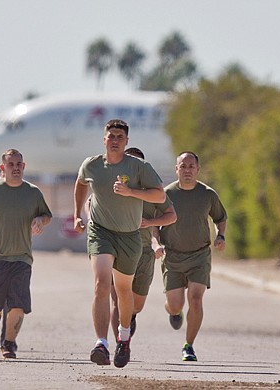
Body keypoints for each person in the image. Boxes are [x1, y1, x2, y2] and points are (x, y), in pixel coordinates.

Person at [73, 119, 166, 368]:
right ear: (104, 139)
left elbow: (160, 194)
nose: (114, 140)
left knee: (124, 292)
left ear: (126, 141)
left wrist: (131, 192)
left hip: (129, 236)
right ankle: (101, 343)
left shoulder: (138, 167)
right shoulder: (91, 165)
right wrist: (77, 214)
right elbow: (81, 183)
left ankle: (123, 339)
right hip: (101, 232)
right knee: (101, 283)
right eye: (111, 136)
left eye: (119, 137)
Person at [0, 149, 52, 359]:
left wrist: (40, 220)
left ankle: (9, 343)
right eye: (11, 164)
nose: (15, 168)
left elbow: (46, 214)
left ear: (23, 167)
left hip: (21, 258)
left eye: (19, 164)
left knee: (18, 304)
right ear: (2, 168)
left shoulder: (33, 193)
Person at [159, 151, 227, 362]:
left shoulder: (207, 194)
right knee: (176, 305)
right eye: (183, 166)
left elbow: (220, 218)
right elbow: (153, 222)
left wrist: (220, 235)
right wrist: (156, 243)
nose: (187, 170)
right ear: (176, 169)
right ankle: (173, 311)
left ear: (198, 169)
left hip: (199, 255)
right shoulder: (165, 194)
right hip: (172, 256)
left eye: (191, 166)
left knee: (196, 300)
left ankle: (188, 346)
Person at [109, 147, 176, 340]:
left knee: (135, 305)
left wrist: (150, 223)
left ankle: (131, 316)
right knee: (117, 300)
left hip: (144, 252)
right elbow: (91, 203)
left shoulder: (153, 193)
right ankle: (120, 344)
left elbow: (171, 216)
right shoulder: (114, 188)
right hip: (118, 250)